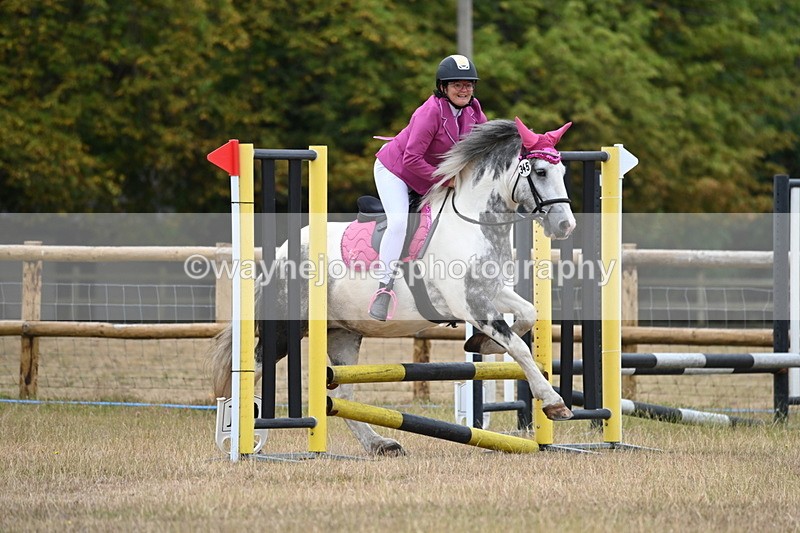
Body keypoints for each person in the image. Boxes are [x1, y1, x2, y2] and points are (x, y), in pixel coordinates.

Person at [368, 54, 488, 321]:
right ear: (443, 87)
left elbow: (486, 145)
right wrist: (448, 181)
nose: (465, 89)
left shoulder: (474, 109)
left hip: (432, 173)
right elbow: (411, 159)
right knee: (399, 222)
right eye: (457, 84)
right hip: (396, 170)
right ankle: (383, 288)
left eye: (469, 84)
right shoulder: (429, 112)